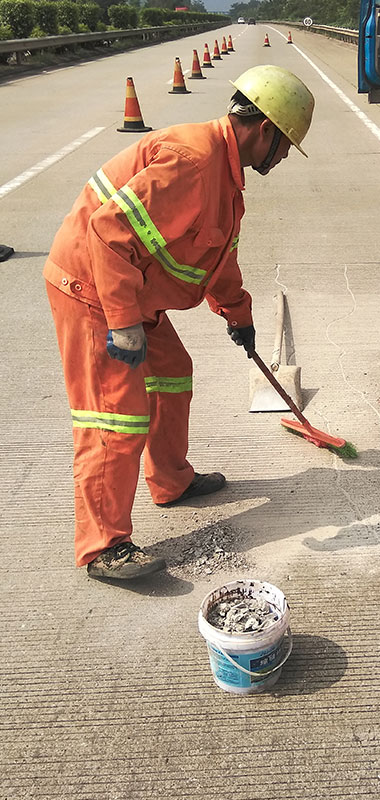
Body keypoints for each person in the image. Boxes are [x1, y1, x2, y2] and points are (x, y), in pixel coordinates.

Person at [44, 65, 314, 581]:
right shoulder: (194, 161)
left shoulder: (226, 180)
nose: (281, 160)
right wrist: (122, 323)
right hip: (93, 288)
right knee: (116, 415)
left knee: (172, 372)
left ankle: (170, 480)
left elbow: (217, 259)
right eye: (284, 148)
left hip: (130, 291)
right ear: (265, 130)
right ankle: (104, 547)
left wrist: (239, 315)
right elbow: (107, 233)